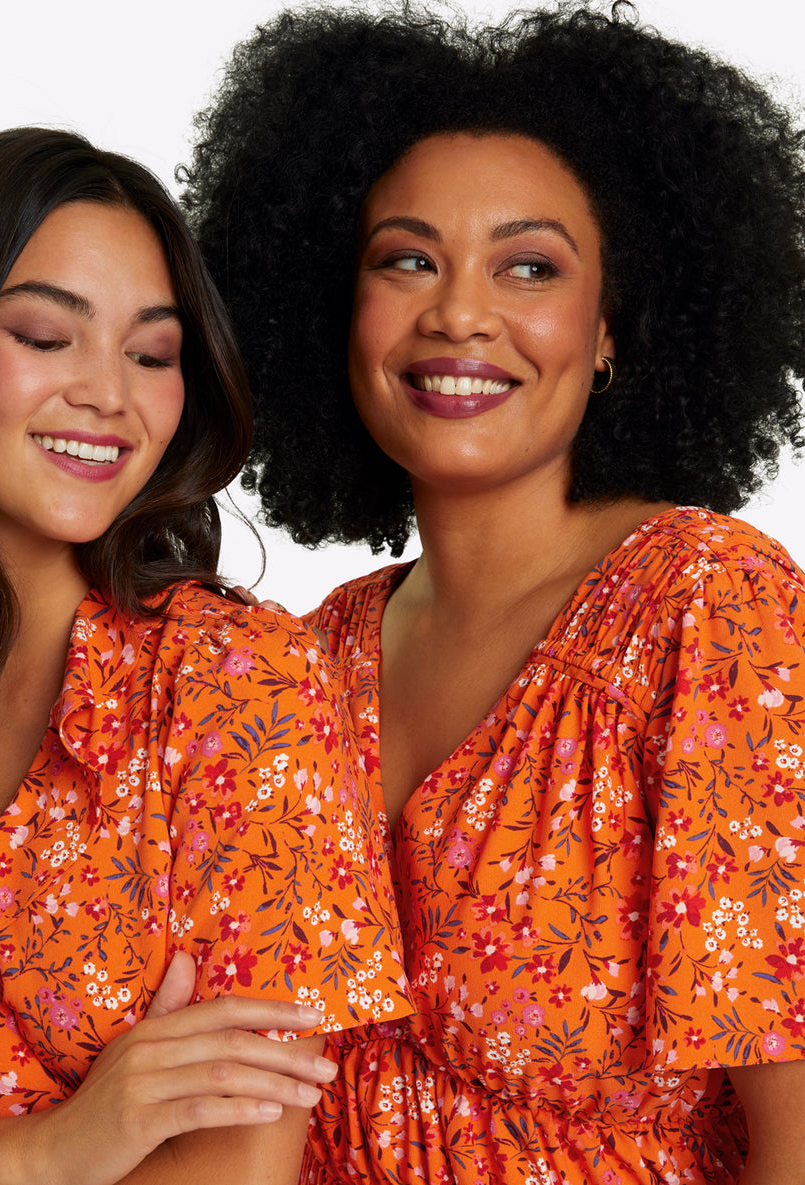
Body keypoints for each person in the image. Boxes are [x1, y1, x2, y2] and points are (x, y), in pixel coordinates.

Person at [184, 5, 805, 1182]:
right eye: (407, 259)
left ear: (611, 329)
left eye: (529, 266)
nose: (459, 312)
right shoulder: (300, 663)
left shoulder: (708, 611)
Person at [0, 127, 410, 1185]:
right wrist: (54, 1153)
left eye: (152, 355)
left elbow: (238, 1169)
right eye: (45, 336)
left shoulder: (241, 684)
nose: (108, 395)